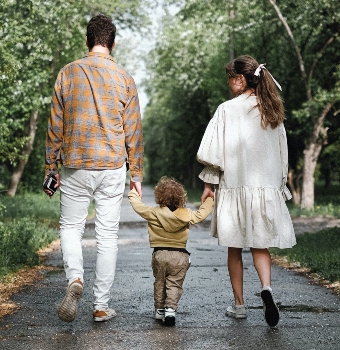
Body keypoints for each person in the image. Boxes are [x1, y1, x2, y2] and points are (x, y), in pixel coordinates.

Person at [43, 14, 143, 323]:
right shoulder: (124, 78)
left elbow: (55, 123)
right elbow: (134, 131)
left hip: (75, 164)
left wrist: (51, 166)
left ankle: (75, 278)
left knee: (71, 227)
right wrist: (136, 174)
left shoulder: (68, 73)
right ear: (112, 44)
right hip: (112, 165)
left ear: (88, 41)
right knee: (107, 236)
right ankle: (101, 305)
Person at [196, 55, 295, 327]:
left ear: (240, 80)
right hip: (263, 188)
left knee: (234, 247)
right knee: (260, 245)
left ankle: (239, 305)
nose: (228, 84)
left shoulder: (227, 110)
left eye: (230, 79)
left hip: (234, 187)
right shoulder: (272, 110)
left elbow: (214, 153)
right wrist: (278, 185)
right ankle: (266, 288)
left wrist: (208, 185)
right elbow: (281, 153)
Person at [128, 177, 214, 326]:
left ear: (159, 196)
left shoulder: (154, 213)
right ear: (181, 196)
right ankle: (170, 310)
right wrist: (210, 200)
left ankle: (159, 310)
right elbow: (201, 214)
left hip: (159, 254)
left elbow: (138, 206)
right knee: (174, 284)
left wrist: (133, 192)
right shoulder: (186, 214)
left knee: (159, 282)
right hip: (180, 255)